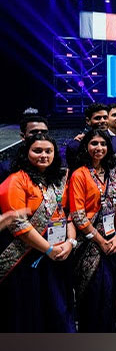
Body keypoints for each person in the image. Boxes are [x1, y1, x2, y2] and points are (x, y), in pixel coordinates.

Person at [0, 133, 76, 332]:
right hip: (27, 259)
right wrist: (48, 249)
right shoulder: (16, 180)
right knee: (31, 313)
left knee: (59, 310)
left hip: (58, 255)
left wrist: (70, 243)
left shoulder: (58, 179)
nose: (44, 155)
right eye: (37, 151)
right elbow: (19, 225)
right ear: (26, 153)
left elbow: (68, 215)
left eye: (48, 151)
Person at [69, 129, 116, 332]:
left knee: (109, 293)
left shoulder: (113, 172)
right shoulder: (79, 174)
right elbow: (78, 215)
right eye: (94, 143)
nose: (99, 148)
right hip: (89, 244)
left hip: (112, 241)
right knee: (91, 294)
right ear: (86, 147)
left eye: (103, 144)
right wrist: (101, 241)